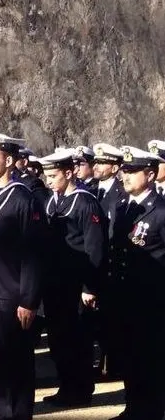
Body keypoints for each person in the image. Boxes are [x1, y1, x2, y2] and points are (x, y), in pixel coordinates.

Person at [0, 133, 45, 420]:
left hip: (12, 295)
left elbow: (34, 253)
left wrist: (29, 300)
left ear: (9, 161)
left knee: (17, 364)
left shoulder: (23, 199)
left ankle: (19, 414)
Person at [38, 150, 108, 407]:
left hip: (77, 284)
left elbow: (94, 248)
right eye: (46, 177)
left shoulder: (84, 202)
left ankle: (80, 390)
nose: (49, 182)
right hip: (56, 284)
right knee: (59, 340)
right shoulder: (52, 201)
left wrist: (90, 286)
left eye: (54, 176)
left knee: (78, 340)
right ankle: (66, 386)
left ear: (69, 174)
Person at [105, 146, 165, 420]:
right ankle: (134, 406)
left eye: (131, 171)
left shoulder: (161, 211)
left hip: (151, 299)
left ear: (150, 175)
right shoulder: (123, 207)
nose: (124, 176)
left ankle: (150, 410)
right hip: (124, 295)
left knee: (150, 358)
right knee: (128, 354)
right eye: (123, 171)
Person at [88, 143, 126, 380]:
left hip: (113, 263)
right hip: (95, 263)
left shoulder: (120, 194)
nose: (97, 166)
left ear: (114, 167)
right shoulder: (90, 190)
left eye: (103, 163)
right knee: (95, 319)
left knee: (112, 317)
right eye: (97, 162)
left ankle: (112, 364)